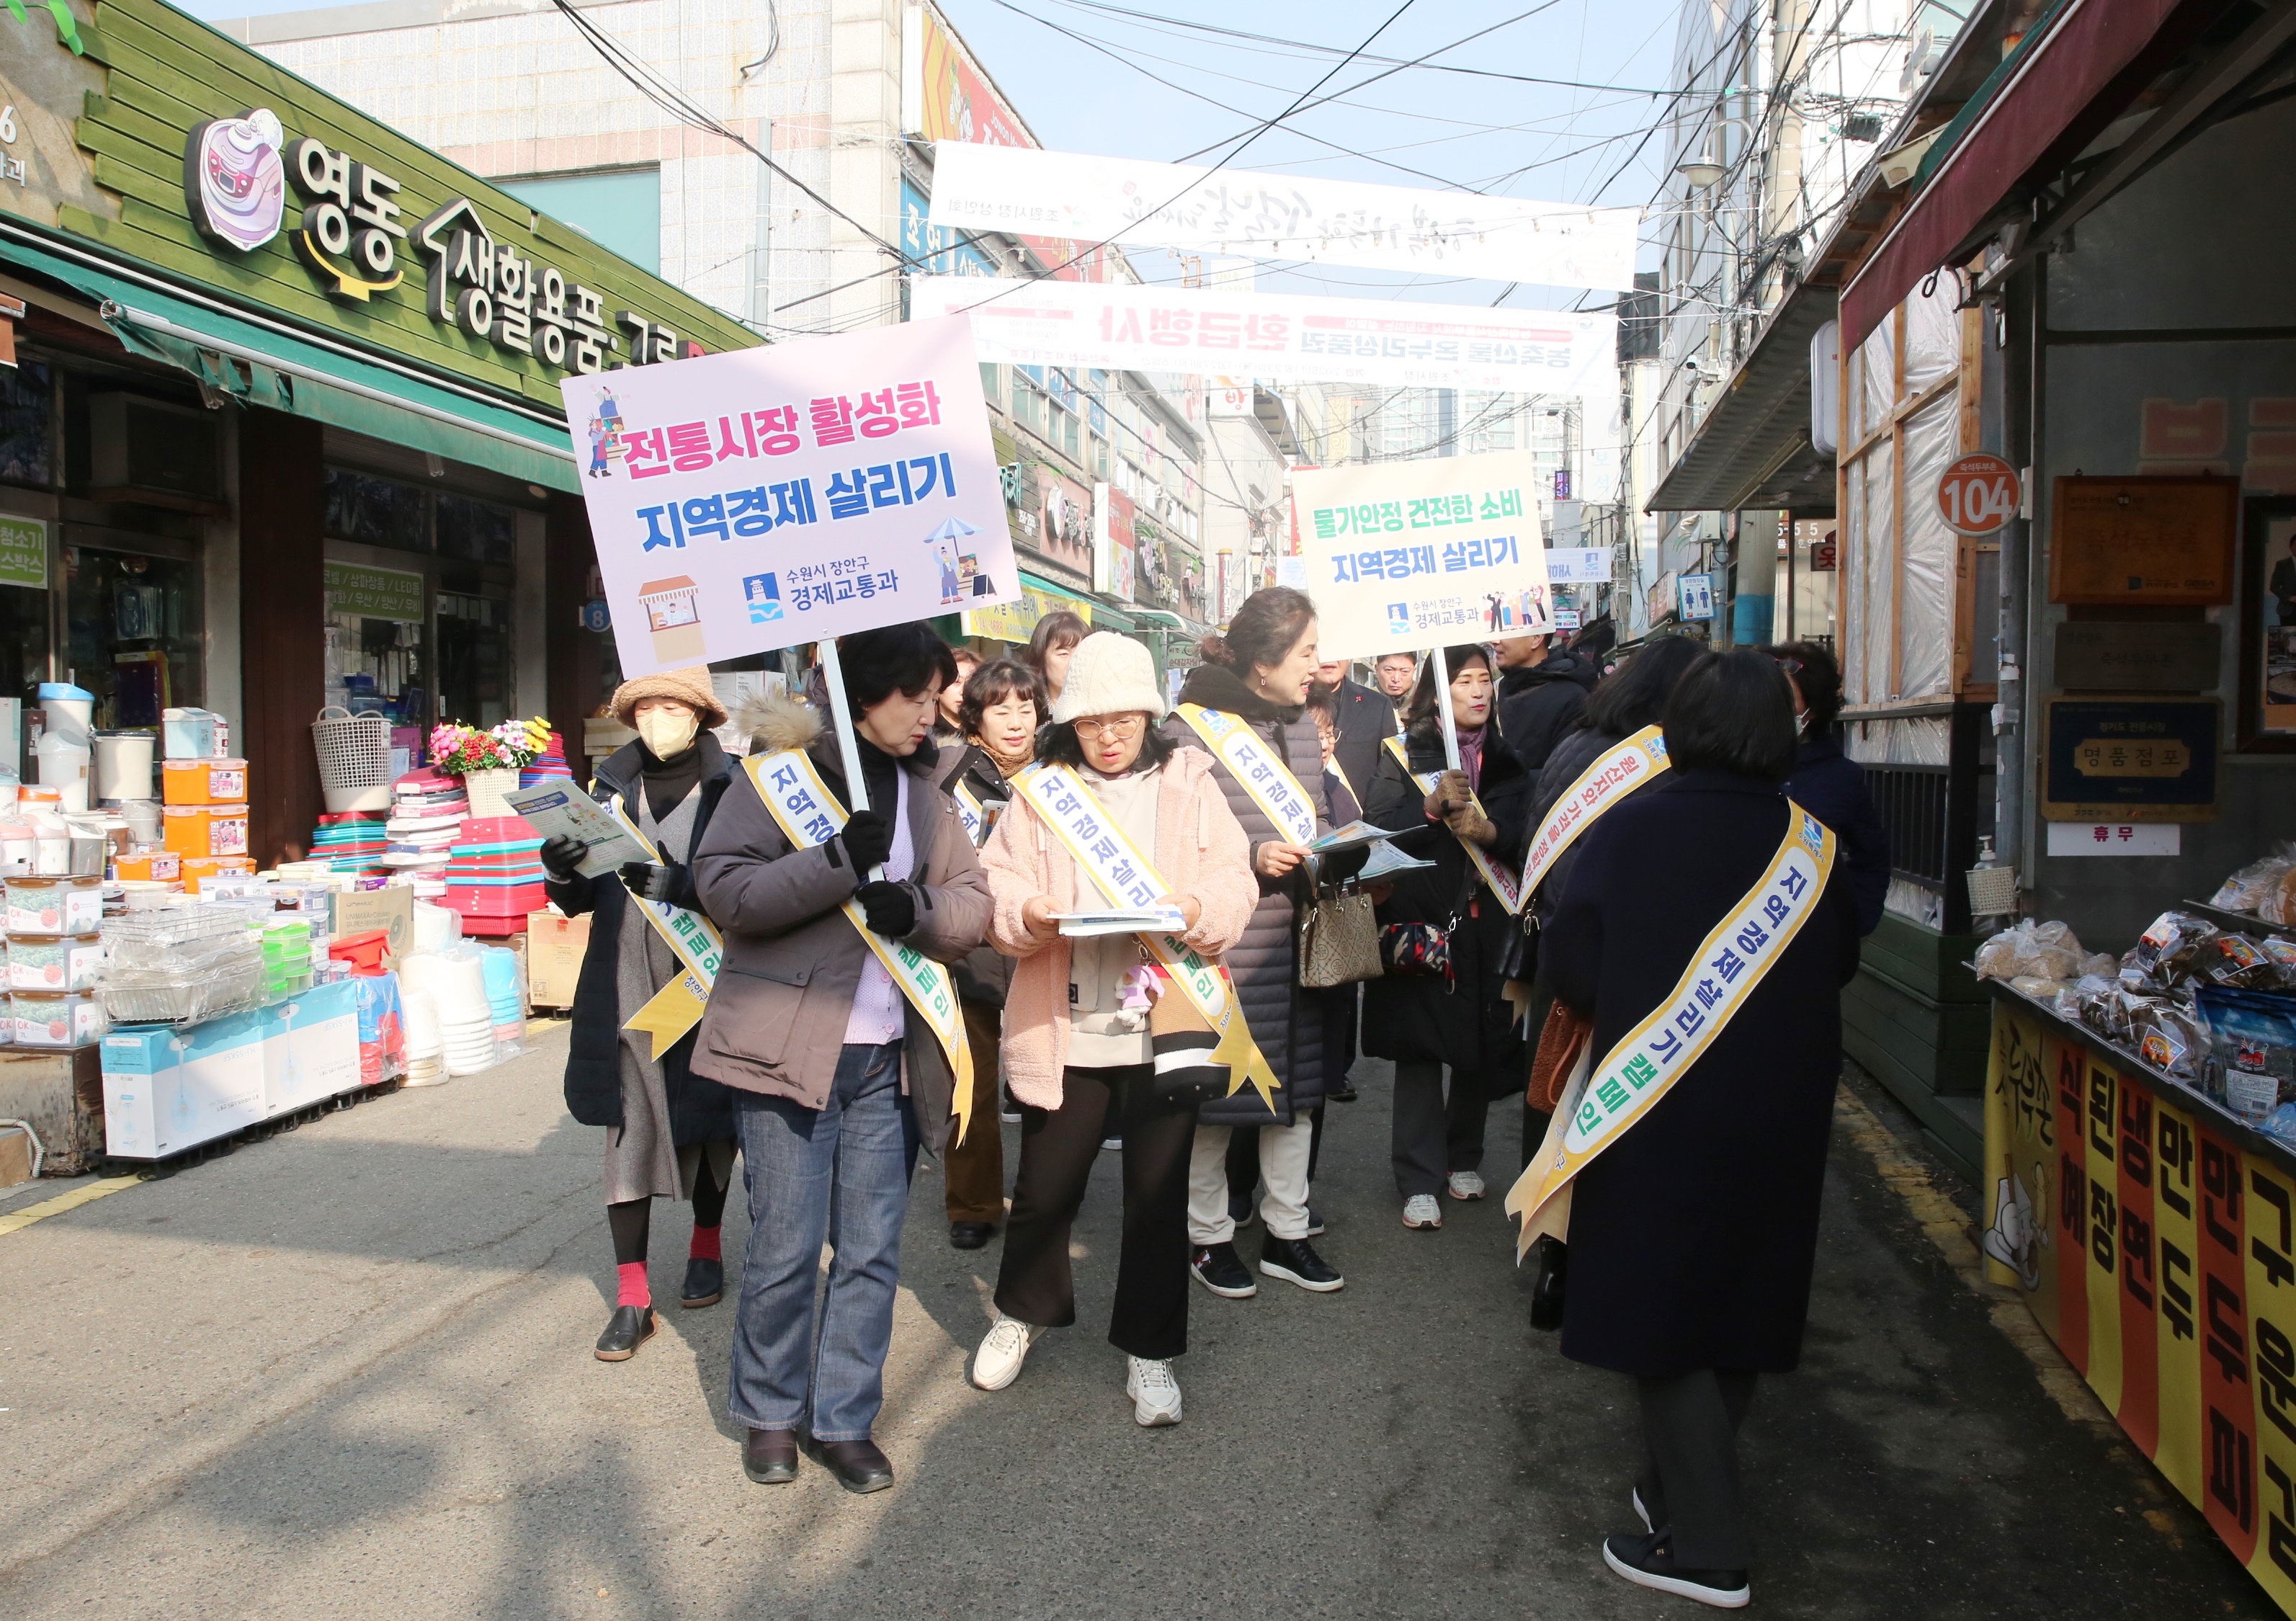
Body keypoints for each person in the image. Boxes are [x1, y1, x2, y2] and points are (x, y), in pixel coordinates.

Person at [1540, 650, 1862, 1609]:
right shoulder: (1810, 839)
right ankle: (1677, 1484)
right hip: (1780, 1104)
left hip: (1655, 1104)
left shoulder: (1628, 829)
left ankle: (1709, 1548)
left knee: (1657, 1309)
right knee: (1740, 1295)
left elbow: (1573, 970)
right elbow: (1839, 957)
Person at [692, 625, 991, 1495]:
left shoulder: (926, 791)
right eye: (918, 699)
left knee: (870, 1252)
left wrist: (917, 906)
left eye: (939, 700)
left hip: (887, 1065)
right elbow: (726, 891)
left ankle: (845, 1420)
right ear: (866, 697)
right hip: (785, 1053)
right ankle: (771, 1414)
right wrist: (832, 864)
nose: (931, 718)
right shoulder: (773, 780)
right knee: (784, 1247)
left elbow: (972, 903)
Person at [970, 633, 1258, 1425]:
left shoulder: (1189, 783)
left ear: (1147, 717)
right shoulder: (1040, 793)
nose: (1108, 736)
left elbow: (1233, 877)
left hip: (1165, 1022)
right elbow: (998, 882)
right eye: (1093, 721)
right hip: (1068, 1024)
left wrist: (1198, 912)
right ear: (1070, 721)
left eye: (1123, 720)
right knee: (1044, 1189)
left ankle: (1151, 1352)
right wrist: (1027, 912)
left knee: (1155, 1199)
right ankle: (1021, 1314)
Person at [541, 668, 740, 1363]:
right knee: (629, 1129)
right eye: (647, 706)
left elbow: (756, 886)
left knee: (710, 1123)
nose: (660, 718)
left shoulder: (735, 786)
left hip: (708, 977)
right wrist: (562, 870)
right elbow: (580, 900)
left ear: (700, 715)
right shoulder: (603, 791)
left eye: (674, 706)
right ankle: (632, 1296)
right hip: (625, 977)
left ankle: (707, 1248)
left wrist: (683, 886)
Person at [1165, 586, 1351, 1299]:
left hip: (1298, 939)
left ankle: (1286, 1232)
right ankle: (1207, 1238)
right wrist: (1249, 858)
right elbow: (1172, 844)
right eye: (1304, 652)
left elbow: (1319, 816)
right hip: (1226, 943)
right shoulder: (1187, 729)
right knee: (1216, 1101)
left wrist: (1339, 847)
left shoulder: (1303, 726)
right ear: (1265, 658)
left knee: (1296, 1097)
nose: (1315, 665)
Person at [1513, 636, 1704, 1165]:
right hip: (1612, 959)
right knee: (1600, 1096)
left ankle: (1541, 1217)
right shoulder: (1658, 761)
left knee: (1551, 1084)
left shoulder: (1580, 739)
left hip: (1558, 940)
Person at [1362, 643, 1532, 1230]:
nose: (1479, 691)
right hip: (1421, 923)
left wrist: (1493, 831)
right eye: (1464, 681)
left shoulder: (1511, 760)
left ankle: (1465, 1156)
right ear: (1440, 691)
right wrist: (1430, 811)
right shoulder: (1403, 753)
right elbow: (1375, 832)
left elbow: (1532, 836)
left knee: (1477, 1047)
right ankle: (1417, 1177)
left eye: (1485, 680)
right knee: (1418, 1049)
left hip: (1489, 923)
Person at [937, 656, 1048, 1249]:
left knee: (1045, 1075)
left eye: (1025, 707)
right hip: (970, 944)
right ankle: (973, 1202)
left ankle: (1045, 1193)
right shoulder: (946, 774)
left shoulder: (1060, 775)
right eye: (1000, 708)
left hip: (1041, 943)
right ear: (973, 716)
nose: (1015, 721)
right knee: (972, 1081)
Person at [1769, 641, 1890, 937]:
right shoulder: (1732, 765)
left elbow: (1872, 855)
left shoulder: (1841, 777)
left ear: (1813, 710)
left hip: (1810, 940)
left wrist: (1854, 921)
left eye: (1789, 699)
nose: (1776, 709)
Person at [1494, 632, 1599, 773]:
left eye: (1505, 633)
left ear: (1536, 638)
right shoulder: (1502, 687)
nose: (1495, 641)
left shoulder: (1572, 696)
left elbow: (1566, 773)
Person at [1310, 656, 1398, 809]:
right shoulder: (1287, 703)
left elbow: (1389, 777)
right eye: (1322, 649)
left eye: (1337, 650)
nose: (1330, 658)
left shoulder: (1377, 705)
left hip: (1359, 818)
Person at [1026, 609, 1089, 707]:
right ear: (1041, 657)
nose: (1074, 663)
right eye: (1064, 654)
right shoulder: (1029, 712)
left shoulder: (1102, 712)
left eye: (1081, 653)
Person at [934, 644, 981, 746]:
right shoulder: (925, 733)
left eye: (971, 683)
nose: (963, 691)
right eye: (957, 682)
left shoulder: (984, 733)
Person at [1374, 651, 1419, 729]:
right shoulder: (1365, 700)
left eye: (1405, 671)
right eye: (1389, 670)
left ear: (1414, 671)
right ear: (1377, 669)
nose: (1396, 679)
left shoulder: (1425, 699)